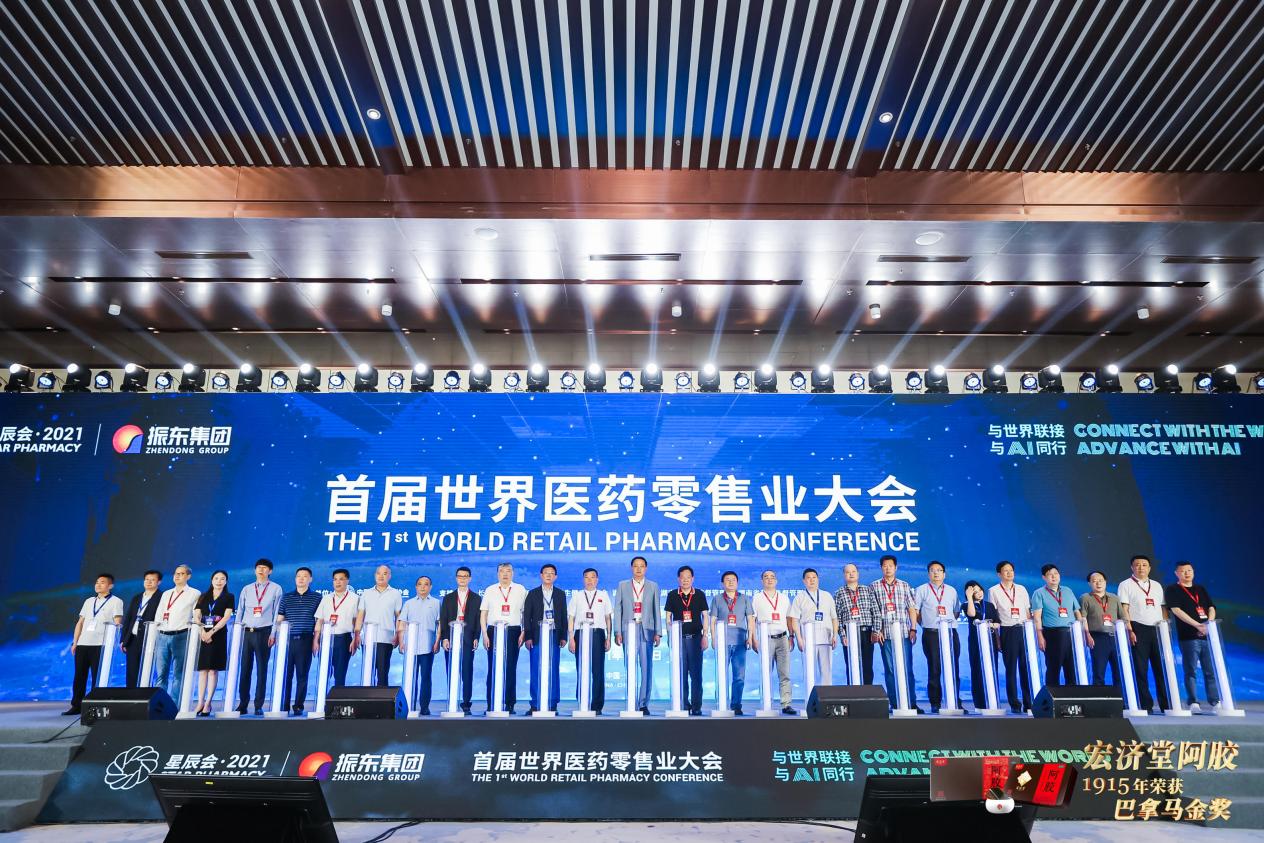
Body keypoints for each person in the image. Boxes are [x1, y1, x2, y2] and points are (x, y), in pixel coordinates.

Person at [1164, 561, 1220, 713]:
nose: (1186, 573)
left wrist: (1208, 624)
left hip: (1207, 636)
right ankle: (1193, 701)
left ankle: (1215, 701)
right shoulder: (1172, 589)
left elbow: (1211, 607)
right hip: (1188, 636)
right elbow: (1176, 610)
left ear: (1193, 572)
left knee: (1210, 671)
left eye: (1189, 570)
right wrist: (1197, 625)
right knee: (1191, 670)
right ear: (1176, 573)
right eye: (1183, 571)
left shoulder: (1200, 589)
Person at [65, 574, 125, 715]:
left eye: (102, 582)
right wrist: (75, 642)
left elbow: (117, 624)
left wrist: (112, 645)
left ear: (110, 586)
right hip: (83, 644)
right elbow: (80, 623)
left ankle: (93, 706)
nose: (98, 585)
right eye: (97, 582)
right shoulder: (89, 601)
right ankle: (76, 705)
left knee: (97, 677)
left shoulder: (116, 601)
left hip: (101, 645)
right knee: (79, 676)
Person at [1118, 554, 1171, 713]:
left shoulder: (1157, 585)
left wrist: (1166, 629)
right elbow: (1124, 609)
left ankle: (1166, 704)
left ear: (1149, 568)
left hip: (1157, 629)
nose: (1141, 567)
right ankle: (1145, 704)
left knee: (1161, 668)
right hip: (1138, 628)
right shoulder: (1125, 584)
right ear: (1132, 567)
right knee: (1140, 669)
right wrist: (1129, 630)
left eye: (1144, 565)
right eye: (1137, 565)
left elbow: (1163, 608)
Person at [612, 556, 661, 715]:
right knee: (630, 667)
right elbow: (618, 609)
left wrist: (658, 632)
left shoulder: (653, 586)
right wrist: (617, 631)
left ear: (646, 568)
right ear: (631, 568)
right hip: (629, 629)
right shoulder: (622, 585)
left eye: (641, 566)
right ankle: (631, 702)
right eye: (635, 566)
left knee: (646, 668)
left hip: (646, 630)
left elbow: (656, 609)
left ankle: (643, 703)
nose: (638, 569)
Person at [912, 561, 962, 713]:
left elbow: (956, 611)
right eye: (932, 570)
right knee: (934, 668)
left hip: (950, 632)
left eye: (939, 570)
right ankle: (935, 702)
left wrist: (946, 623)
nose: (936, 573)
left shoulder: (951, 591)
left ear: (944, 574)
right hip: (931, 633)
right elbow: (915, 612)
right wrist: (926, 624)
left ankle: (955, 701)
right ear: (928, 574)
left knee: (953, 667)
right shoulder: (921, 590)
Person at [872, 555, 919, 712]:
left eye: (890, 566)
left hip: (904, 633)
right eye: (885, 566)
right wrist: (877, 630)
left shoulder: (904, 585)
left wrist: (913, 628)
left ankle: (911, 703)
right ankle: (894, 703)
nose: (888, 568)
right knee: (890, 670)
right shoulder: (874, 586)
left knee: (907, 668)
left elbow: (911, 608)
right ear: (881, 568)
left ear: (896, 567)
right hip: (885, 635)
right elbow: (874, 611)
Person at [480, 562, 529, 714]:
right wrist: (484, 634)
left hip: (513, 631)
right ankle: (491, 702)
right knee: (493, 667)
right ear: (498, 574)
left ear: (513, 573)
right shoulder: (490, 590)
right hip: (493, 631)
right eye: (502, 571)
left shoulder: (520, 589)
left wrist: (524, 631)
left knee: (510, 668)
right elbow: (483, 613)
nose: (505, 574)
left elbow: (525, 613)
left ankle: (509, 704)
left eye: (508, 571)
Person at [236, 558, 282, 715]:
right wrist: (238, 631)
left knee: (262, 670)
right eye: (259, 567)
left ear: (270, 571)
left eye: (265, 568)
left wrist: (273, 632)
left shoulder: (276, 588)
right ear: (255, 570)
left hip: (264, 632)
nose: (261, 570)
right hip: (247, 632)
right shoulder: (247, 589)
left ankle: (258, 705)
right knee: (244, 669)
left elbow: (276, 613)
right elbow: (240, 611)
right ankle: (243, 703)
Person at [522, 564, 568, 715]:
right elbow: (526, 617)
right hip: (537, 635)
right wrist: (528, 636)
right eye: (546, 573)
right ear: (541, 575)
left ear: (556, 577)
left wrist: (563, 636)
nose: (549, 575)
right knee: (536, 668)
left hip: (554, 634)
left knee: (553, 668)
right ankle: (535, 703)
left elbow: (563, 616)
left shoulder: (560, 594)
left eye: (551, 573)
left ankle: (552, 703)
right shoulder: (532, 593)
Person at [663, 565, 709, 715]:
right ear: (678, 579)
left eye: (688, 577)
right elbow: (668, 617)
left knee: (696, 675)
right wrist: (670, 636)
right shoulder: (672, 595)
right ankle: (683, 704)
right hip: (679, 640)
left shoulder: (700, 594)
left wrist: (705, 635)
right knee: (680, 674)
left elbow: (705, 616)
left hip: (696, 638)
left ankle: (696, 706)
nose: (685, 580)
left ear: (692, 579)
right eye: (682, 577)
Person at [276, 567, 322, 715]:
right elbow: (280, 619)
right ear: (295, 579)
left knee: (302, 675)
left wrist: (315, 641)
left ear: (310, 579)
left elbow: (318, 621)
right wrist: (279, 634)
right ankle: (283, 705)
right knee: (286, 675)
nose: (301, 579)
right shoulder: (286, 597)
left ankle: (298, 706)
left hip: (305, 639)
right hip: (288, 640)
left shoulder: (317, 597)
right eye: (298, 576)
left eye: (305, 576)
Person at [153, 565, 201, 707]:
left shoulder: (195, 593)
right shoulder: (166, 593)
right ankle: (159, 705)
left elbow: (196, 615)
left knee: (178, 673)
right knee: (161, 673)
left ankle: (174, 705)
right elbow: (159, 614)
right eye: (176, 573)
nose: (177, 576)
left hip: (181, 635)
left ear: (188, 576)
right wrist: (156, 632)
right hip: (163, 635)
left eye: (181, 573)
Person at [989, 561, 1033, 714]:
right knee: (1011, 669)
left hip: (1023, 629)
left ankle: (1029, 702)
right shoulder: (993, 591)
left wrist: (1030, 631)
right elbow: (994, 615)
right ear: (999, 574)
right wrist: (998, 639)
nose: (1009, 573)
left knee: (1026, 668)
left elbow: (1027, 611)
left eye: (1011, 570)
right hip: (1007, 631)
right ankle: (1014, 703)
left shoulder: (1021, 589)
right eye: (1005, 571)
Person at [567, 567, 612, 714]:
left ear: (597, 580)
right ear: (583, 579)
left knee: (598, 671)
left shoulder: (603, 595)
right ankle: (582, 702)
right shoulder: (577, 596)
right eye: (586, 577)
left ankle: (597, 705)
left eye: (593, 577)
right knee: (581, 669)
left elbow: (608, 617)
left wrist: (608, 637)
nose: (590, 580)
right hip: (580, 634)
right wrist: (571, 638)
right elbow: (571, 618)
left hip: (598, 634)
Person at [751, 569, 795, 715]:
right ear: (762, 581)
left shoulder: (784, 598)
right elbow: (752, 619)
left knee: (785, 673)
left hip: (783, 638)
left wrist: (791, 636)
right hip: (766, 639)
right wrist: (754, 638)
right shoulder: (757, 598)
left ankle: (786, 704)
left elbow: (789, 618)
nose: (769, 579)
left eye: (772, 577)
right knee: (765, 672)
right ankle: (767, 703)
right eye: (766, 577)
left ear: (776, 580)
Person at [191, 570, 234, 716]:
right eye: (216, 578)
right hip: (203, 634)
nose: (219, 581)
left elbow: (226, 617)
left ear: (226, 581)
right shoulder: (203, 596)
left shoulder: (229, 597)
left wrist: (211, 632)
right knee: (203, 670)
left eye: (222, 579)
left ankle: (208, 703)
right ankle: (200, 702)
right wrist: (202, 631)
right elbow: (197, 616)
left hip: (218, 635)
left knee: (213, 670)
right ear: (211, 580)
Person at [439, 567, 481, 713]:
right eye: (460, 576)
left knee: (467, 672)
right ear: (456, 578)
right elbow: (443, 619)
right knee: (451, 671)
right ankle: (452, 700)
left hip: (468, 639)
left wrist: (476, 637)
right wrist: (444, 638)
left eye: (465, 576)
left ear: (470, 578)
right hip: (451, 640)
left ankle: (466, 703)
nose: (462, 578)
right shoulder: (448, 598)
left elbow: (478, 620)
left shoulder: (476, 598)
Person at [1031, 564, 1081, 687]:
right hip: (1052, 634)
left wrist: (1082, 632)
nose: (1054, 577)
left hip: (1071, 634)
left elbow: (1077, 612)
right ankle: (1052, 695)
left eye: (1056, 573)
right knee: (1054, 667)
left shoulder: (1067, 591)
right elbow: (1037, 617)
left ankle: (1072, 695)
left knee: (1072, 668)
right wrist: (1040, 636)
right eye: (1050, 574)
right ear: (1044, 577)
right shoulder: (1039, 593)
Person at [398, 575, 441, 716]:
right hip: (411, 647)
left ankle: (424, 707)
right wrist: (401, 641)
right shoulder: (409, 603)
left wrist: (437, 641)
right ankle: (409, 705)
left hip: (428, 646)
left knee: (426, 677)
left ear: (430, 587)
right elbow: (402, 623)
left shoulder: (436, 603)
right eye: (420, 584)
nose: (423, 587)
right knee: (411, 678)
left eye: (426, 584)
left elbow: (439, 624)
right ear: (416, 587)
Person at [789, 567, 837, 688]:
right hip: (808, 640)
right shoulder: (799, 597)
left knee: (826, 671)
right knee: (809, 672)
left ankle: (827, 697)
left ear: (818, 579)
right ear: (804, 581)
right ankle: (810, 697)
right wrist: (799, 639)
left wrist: (835, 636)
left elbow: (834, 618)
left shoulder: (827, 596)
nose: (812, 580)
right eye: (808, 578)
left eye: (814, 577)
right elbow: (794, 619)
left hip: (826, 638)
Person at [715, 571, 755, 715]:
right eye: (727, 580)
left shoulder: (744, 599)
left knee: (739, 676)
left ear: (737, 583)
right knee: (721, 675)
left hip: (740, 642)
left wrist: (750, 637)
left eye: (733, 580)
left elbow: (750, 619)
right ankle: (721, 704)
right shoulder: (717, 599)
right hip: (723, 642)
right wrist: (713, 638)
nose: (730, 582)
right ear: (722, 583)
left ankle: (736, 705)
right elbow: (713, 619)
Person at [313, 568, 361, 688]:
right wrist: (315, 640)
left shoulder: (355, 598)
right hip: (326, 639)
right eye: (335, 579)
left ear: (347, 581)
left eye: (341, 579)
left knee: (340, 674)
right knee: (324, 672)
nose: (337, 582)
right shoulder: (326, 598)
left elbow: (357, 621)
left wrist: (356, 638)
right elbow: (319, 620)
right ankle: (323, 698)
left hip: (343, 639)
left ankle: (338, 699)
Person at [358, 564, 403, 687]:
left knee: (382, 673)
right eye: (378, 573)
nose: (381, 576)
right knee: (368, 672)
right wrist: (357, 635)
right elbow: (360, 615)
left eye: (385, 573)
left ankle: (381, 697)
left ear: (389, 576)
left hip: (385, 639)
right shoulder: (366, 593)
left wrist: (398, 635)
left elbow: (399, 616)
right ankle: (367, 697)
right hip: (368, 639)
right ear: (375, 575)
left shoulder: (395, 594)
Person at [833, 563, 878, 685]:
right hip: (849, 634)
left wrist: (875, 631)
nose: (851, 574)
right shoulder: (839, 593)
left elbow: (875, 612)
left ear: (858, 574)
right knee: (851, 666)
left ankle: (868, 693)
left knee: (867, 666)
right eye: (848, 572)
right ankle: (852, 693)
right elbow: (837, 617)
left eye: (853, 571)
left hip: (867, 633)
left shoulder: (867, 590)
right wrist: (843, 635)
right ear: (844, 575)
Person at [963, 580, 1001, 709]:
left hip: (990, 641)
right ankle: (979, 704)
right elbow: (972, 614)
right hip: (976, 642)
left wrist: (988, 625)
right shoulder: (966, 605)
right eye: (975, 592)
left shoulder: (989, 605)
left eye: (980, 590)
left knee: (992, 669)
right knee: (977, 670)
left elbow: (997, 623)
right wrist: (969, 598)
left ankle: (993, 701)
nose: (979, 593)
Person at [120, 570, 162, 688]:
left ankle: (145, 696)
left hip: (149, 639)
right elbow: (128, 619)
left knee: (147, 671)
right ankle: (130, 696)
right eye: (147, 579)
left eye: (152, 580)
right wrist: (123, 639)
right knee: (131, 671)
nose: (149, 582)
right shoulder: (137, 598)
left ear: (159, 582)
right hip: (132, 639)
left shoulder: (161, 597)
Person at [1080, 571, 1121, 687]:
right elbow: (1083, 618)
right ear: (1089, 583)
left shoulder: (1114, 598)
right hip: (1097, 637)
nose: (1098, 583)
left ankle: (1120, 697)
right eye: (1094, 581)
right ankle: (1099, 697)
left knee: (1119, 671)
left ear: (1105, 582)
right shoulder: (1085, 598)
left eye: (1101, 580)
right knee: (1099, 672)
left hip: (1115, 638)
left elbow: (1123, 617)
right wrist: (1087, 635)